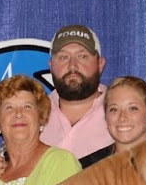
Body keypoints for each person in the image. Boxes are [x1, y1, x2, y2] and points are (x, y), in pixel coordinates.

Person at [0, 74, 82, 185]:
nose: (18, 113)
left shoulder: (60, 162)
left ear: (41, 117)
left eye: (27, 107)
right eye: (9, 107)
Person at [41, 24, 113, 163]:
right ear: (51, 65)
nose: (72, 66)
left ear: (100, 64)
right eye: (63, 57)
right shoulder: (33, 117)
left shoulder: (126, 118)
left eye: (82, 56)